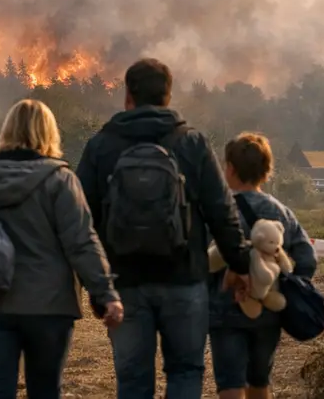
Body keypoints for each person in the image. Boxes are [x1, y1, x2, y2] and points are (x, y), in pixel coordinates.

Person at [76, 58, 251, 399]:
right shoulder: (192, 143)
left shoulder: (102, 146)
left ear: (128, 96)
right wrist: (240, 263)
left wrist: (96, 285)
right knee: (185, 372)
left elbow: (82, 219)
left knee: (132, 381)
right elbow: (221, 211)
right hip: (184, 279)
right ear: (168, 96)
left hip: (124, 282)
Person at [0, 98, 122, 399]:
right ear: (49, 133)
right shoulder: (60, 179)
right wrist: (105, 293)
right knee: (45, 390)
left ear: (7, 130)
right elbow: (81, 241)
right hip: (49, 305)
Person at [210, 133, 316, 399]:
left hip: (224, 309)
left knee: (230, 383)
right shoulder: (280, 212)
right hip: (268, 312)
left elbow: (200, 258)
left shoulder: (218, 210)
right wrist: (289, 286)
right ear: (266, 171)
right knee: (259, 381)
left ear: (230, 168)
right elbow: (307, 258)